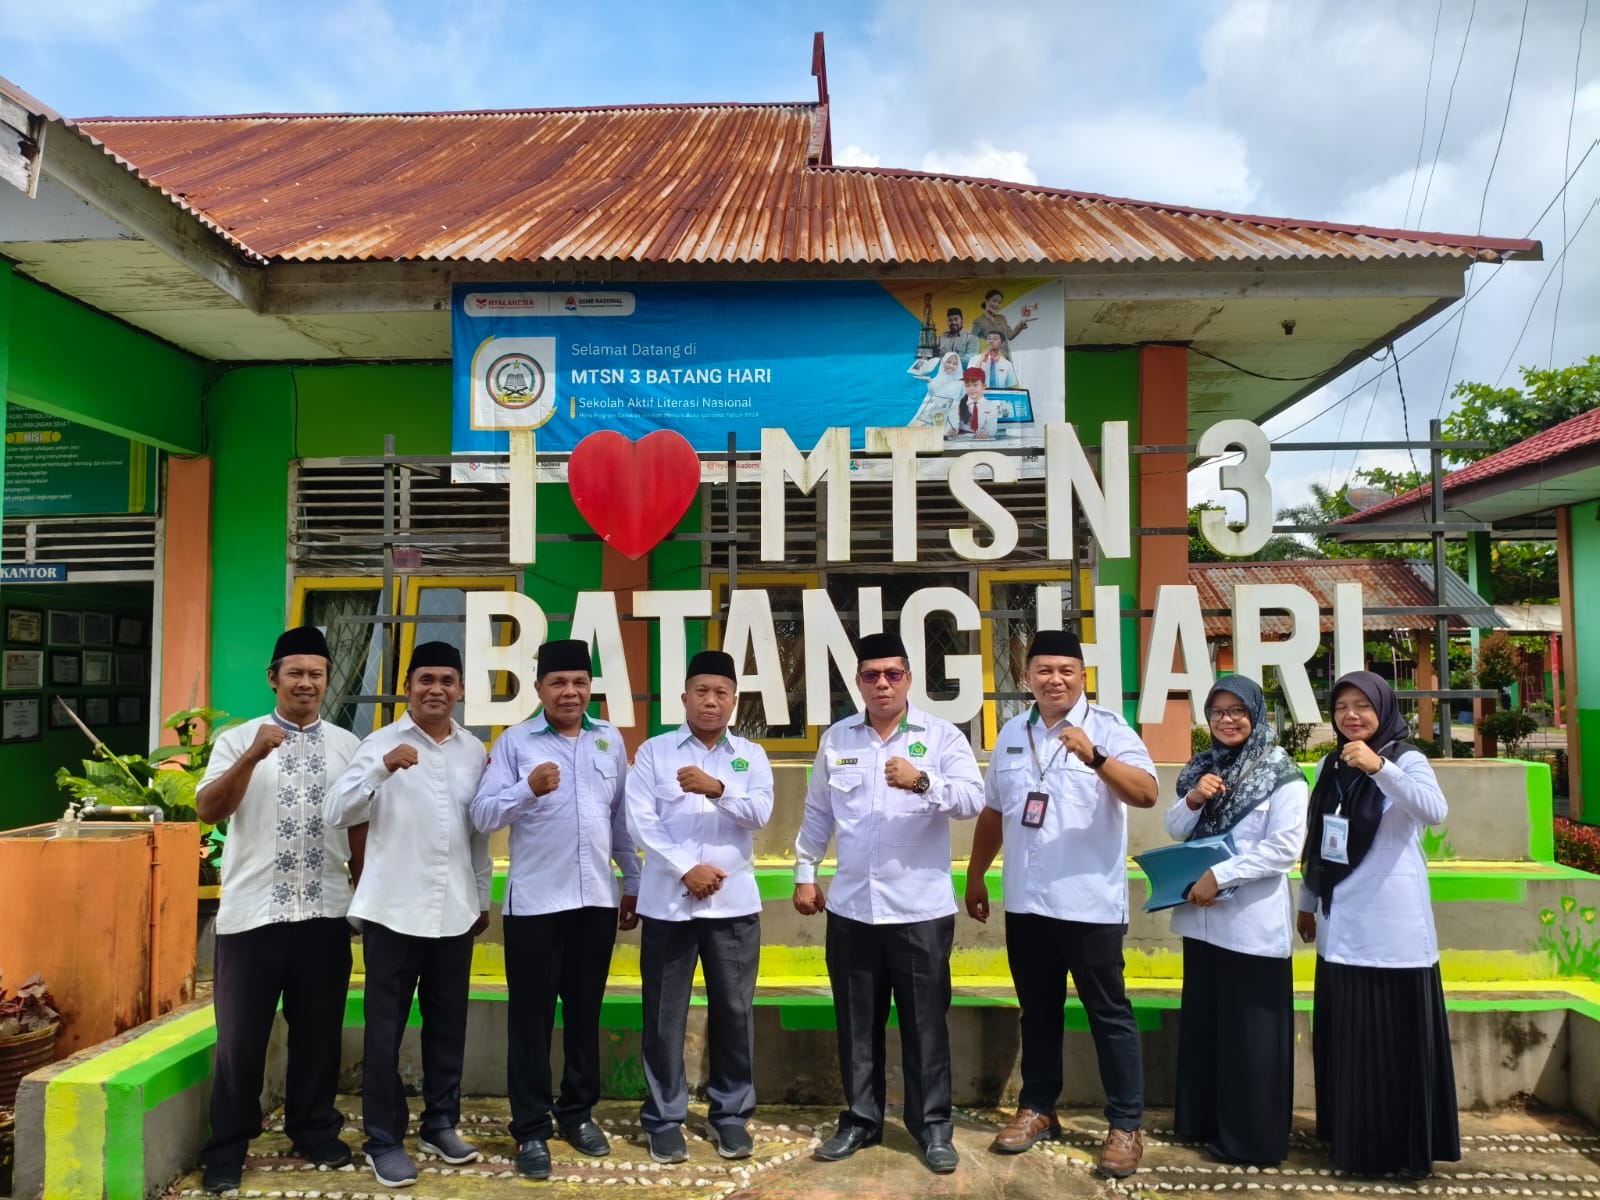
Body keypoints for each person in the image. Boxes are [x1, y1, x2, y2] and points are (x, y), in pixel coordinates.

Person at [966, 629, 1158, 1178]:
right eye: (1044, 670)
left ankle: (1125, 1124)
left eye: (1066, 670)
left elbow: (1146, 793)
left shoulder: (1110, 729)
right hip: (1027, 903)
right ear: (1027, 677)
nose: (1055, 680)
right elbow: (995, 811)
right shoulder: (1012, 733)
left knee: (1109, 1014)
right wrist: (977, 876)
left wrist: (1095, 757)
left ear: (1082, 677)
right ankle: (1038, 1108)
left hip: (1089, 905)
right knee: (1039, 1012)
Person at [793, 631, 984, 1175]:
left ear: (909, 679)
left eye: (892, 674)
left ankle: (933, 1127)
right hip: (852, 910)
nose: (882, 684)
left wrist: (922, 781)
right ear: (858, 682)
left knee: (926, 1025)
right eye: (872, 675)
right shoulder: (838, 739)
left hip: (920, 912)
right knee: (857, 1024)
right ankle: (860, 1120)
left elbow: (972, 799)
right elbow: (817, 813)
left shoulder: (941, 736)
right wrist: (805, 874)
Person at [194, 626, 363, 1196]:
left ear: (327, 681)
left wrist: (362, 896)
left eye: (317, 673)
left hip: (324, 913)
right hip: (253, 915)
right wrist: (252, 756)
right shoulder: (237, 739)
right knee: (240, 1043)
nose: (306, 683)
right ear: (273, 678)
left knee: (319, 1035)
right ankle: (228, 1147)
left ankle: (313, 1130)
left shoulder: (348, 745)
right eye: (295, 672)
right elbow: (208, 810)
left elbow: (361, 824)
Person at [469, 638, 641, 1181]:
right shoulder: (515, 742)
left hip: (595, 902)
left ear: (590, 688)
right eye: (558, 683)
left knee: (584, 1016)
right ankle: (529, 1129)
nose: (570, 692)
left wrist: (632, 881)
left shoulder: (608, 739)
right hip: (536, 906)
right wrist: (526, 788)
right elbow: (482, 815)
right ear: (539, 688)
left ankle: (577, 1113)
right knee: (531, 1021)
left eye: (579, 683)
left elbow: (620, 820)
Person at [326, 641, 491, 1189]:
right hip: (392, 913)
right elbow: (336, 811)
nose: (436, 689)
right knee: (384, 1035)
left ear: (461, 689)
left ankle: (440, 1125)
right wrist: (381, 770)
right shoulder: (379, 744)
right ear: (408, 688)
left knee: (448, 1028)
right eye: (426, 680)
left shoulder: (474, 750)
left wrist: (480, 897)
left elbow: (476, 834)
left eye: (447, 680)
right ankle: (384, 1139)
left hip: (454, 913)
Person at [1298, 671, 1460, 1178]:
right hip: (1340, 922)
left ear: (1383, 709)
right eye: (1342, 706)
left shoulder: (1406, 758)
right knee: (1351, 1043)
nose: (1351, 715)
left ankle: (1402, 1150)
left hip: (1393, 927)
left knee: (1394, 1043)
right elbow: (1318, 838)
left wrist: (1381, 768)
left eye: (1362, 705)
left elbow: (1433, 811)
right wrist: (1307, 901)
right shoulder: (1330, 764)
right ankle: (1354, 1144)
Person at [625, 651, 774, 1164]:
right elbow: (640, 821)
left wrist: (718, 789)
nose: (711, 701)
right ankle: (664, 1118)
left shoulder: (750, 755)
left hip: (733, 908)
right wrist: (687, 867)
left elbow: (761, 811)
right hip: (669, 905)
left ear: (734, 701)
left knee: (734, 1012)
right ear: (684, 697)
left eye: (721, 693)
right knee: (664, 1015)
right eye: (702, 692)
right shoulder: (654, 752)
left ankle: (730, 1115)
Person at [1164, 677, 1308, 1166]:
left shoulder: (1282, 773)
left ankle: (1252, 1141)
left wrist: (1219, 876)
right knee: (1209, 1029)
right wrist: (1193, 799)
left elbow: (1284, 849)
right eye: (1217, 712)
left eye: (1237, 711)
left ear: (1256, 713)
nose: (1227, 720)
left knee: (1251, 1037)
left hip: (1250, 925)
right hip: (1202, 923)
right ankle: (1204, 1123)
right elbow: (1174, 828)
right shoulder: (1203, 768)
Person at [906, 352, 966, 430]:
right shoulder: (936, 379)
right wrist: (930, 383)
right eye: (948, 362)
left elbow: (956, 400)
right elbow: (931, 399)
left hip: (949, 418)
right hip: (931, 416)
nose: (951, 365)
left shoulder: (960, 383)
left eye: (955, 364)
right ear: (943, 362)